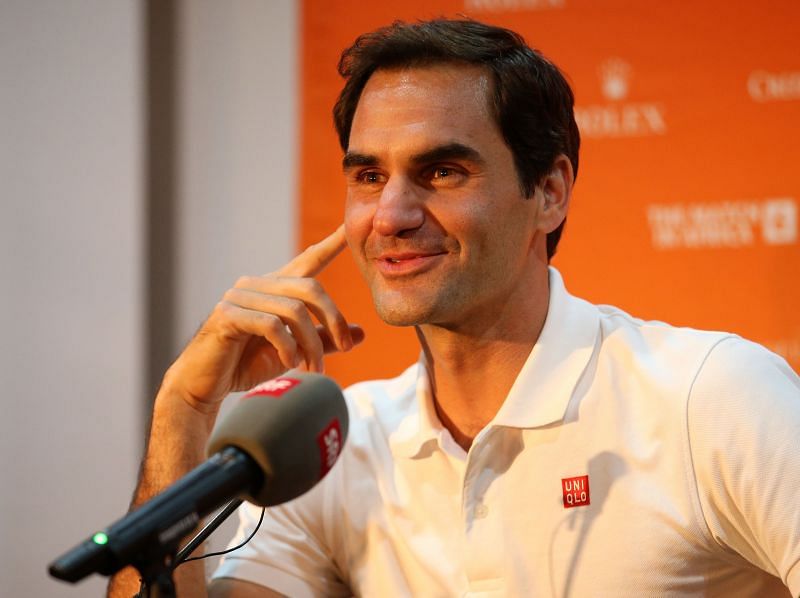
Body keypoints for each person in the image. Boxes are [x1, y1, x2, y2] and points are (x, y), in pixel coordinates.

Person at [110, 19, 800, 597]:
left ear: (550, 191)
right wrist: (185, 409)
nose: (393, 215)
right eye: (369, 176)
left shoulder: (707, 397)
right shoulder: (342, 449)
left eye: (442, 171)